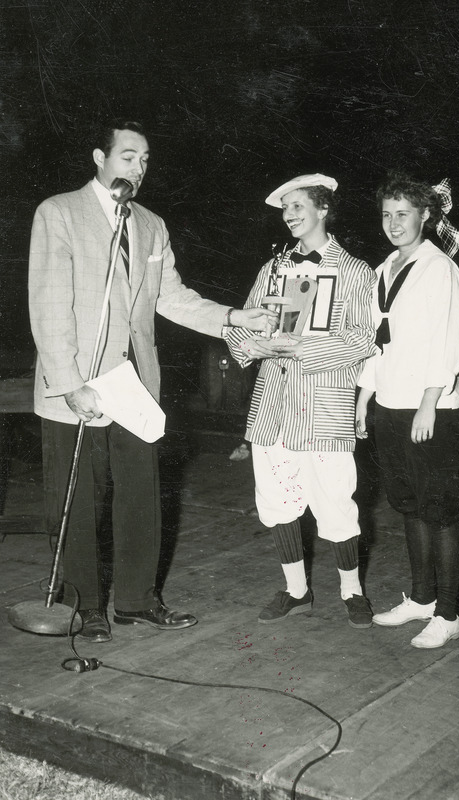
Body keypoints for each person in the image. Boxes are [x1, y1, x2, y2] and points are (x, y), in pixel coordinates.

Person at [28, 119, 276, 643]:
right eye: (127, 157)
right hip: (79, 387)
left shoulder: (151, 225)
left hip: (134, 384)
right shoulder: (59, 213)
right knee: (80, 501)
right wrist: (71, 383)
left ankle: (137, 601)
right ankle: (85, 606)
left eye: (144, 161)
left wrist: (234, 315)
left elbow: (172, 297)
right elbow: (49, 306)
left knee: (140, 494)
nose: (137, 170)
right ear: (100, 157)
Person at [225, 173, 377, 628]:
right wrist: (254, 345)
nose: (289, 216)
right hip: (274, 405)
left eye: (297, 207)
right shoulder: (272, 270)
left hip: (325, 406)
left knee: (336, 502)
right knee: (277, 499)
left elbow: (364, 339)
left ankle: (352, 591)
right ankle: (296, 591)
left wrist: (303, 348)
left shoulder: (355, 272)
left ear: (323, 209)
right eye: (284, 209)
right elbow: (242, 327)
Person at [355, 172, 459, 649]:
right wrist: (365, 398)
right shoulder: (385, 267)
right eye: (386, 214)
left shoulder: (439, 268)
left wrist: (429, 403)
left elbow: (448, 341)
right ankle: (422, 599)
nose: (393, 223)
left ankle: (447, 614)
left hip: (431, 409)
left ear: (426, 216)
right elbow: (378, 341)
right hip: (390, 405)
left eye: (403, 214)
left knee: (441, 510)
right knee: (409, 504)